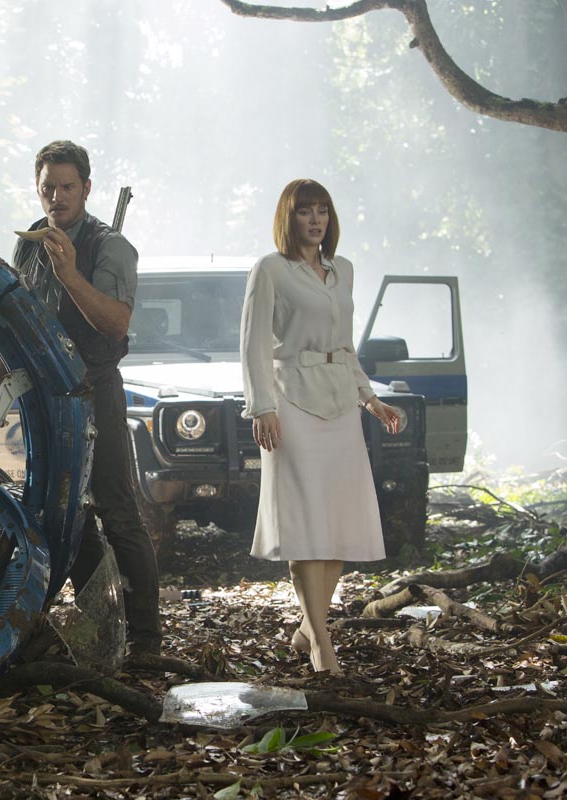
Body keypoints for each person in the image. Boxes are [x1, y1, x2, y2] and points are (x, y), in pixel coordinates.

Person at [0, 140, 162, 655]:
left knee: (117, 510)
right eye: (49, 188)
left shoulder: (110, 247)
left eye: (67, 187)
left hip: (94, 391)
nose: (57, 197)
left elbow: (115, 323)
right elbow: (14, 322)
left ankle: (146, 640)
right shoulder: (28, 245)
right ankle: (102, 624)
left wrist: (69, 275)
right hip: (44, 398)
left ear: (86, 188)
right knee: (62, 512)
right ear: (37, 188)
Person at [239, 178, 403, 674]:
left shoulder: (342, 270)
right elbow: (252, 343)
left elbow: (345, 346)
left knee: (338, 525)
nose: (315, 220)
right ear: (288, 218)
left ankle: (308, 627)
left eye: (322, 211)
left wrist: (370, 398)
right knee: (306, 527)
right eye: (305, 211)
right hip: (290, 404)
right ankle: (320, 644)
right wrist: (261, 406)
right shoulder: (270, 269)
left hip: (340, 405)